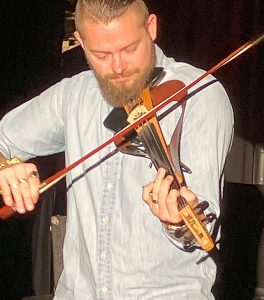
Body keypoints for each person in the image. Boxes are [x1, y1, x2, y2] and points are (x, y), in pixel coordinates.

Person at [0, 0, 233, 299]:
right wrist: (6, 168)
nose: (119, 66)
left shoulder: (200, 94)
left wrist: (176, 222)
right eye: (102, 55)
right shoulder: (74, 94)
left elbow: (203, 223)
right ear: (81, 42)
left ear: (151, 28)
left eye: (130, 49)